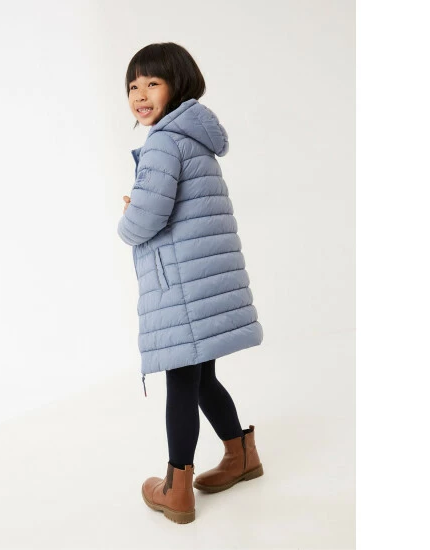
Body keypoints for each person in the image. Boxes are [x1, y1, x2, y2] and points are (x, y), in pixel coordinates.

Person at [117, 42, 264, 524]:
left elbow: (146, 219)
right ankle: (242, 456)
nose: (140, 95)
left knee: (181, 381)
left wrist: (128, 217)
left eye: (152, 83)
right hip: (202, 284)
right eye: (133, 86)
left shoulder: (162, 143)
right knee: (202, 378)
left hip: (182, 288)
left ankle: (176, 488)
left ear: (177, 85)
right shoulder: (193, 138)